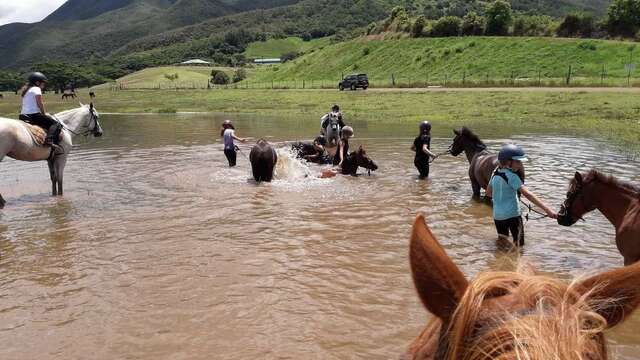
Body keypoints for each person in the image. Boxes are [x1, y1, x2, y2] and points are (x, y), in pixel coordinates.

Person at [486, 144, 557, 247]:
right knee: (519, 245)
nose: (520, 165)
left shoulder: (494, 174)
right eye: (518, 162)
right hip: (513, 216)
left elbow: (488, 193)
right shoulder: (512, 177)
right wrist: (547, 210)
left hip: (498, 217)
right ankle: (517, 261)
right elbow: (528, 195)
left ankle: (502, 260)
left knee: (502, 241)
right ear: (508, 162)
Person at [18, 72, 62, 147]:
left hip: (22, 115)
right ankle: (49, 140)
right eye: (43, 83)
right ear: (37, 82)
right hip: (33, 115)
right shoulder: (36, 88)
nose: (44, 85)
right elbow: (40, 103)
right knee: (56, 124)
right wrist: (44, 114)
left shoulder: (27, 90)